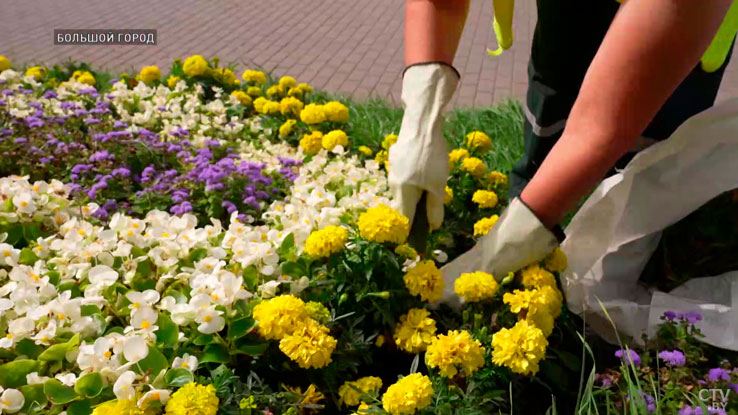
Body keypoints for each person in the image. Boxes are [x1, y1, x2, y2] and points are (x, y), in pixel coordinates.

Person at [388, 0, 735, 301]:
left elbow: (600, 127)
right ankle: (531, 230)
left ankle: (615, 270)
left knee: (642, 153)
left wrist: (493, 258)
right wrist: (422, 116)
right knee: (552, 95)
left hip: (683, 19)